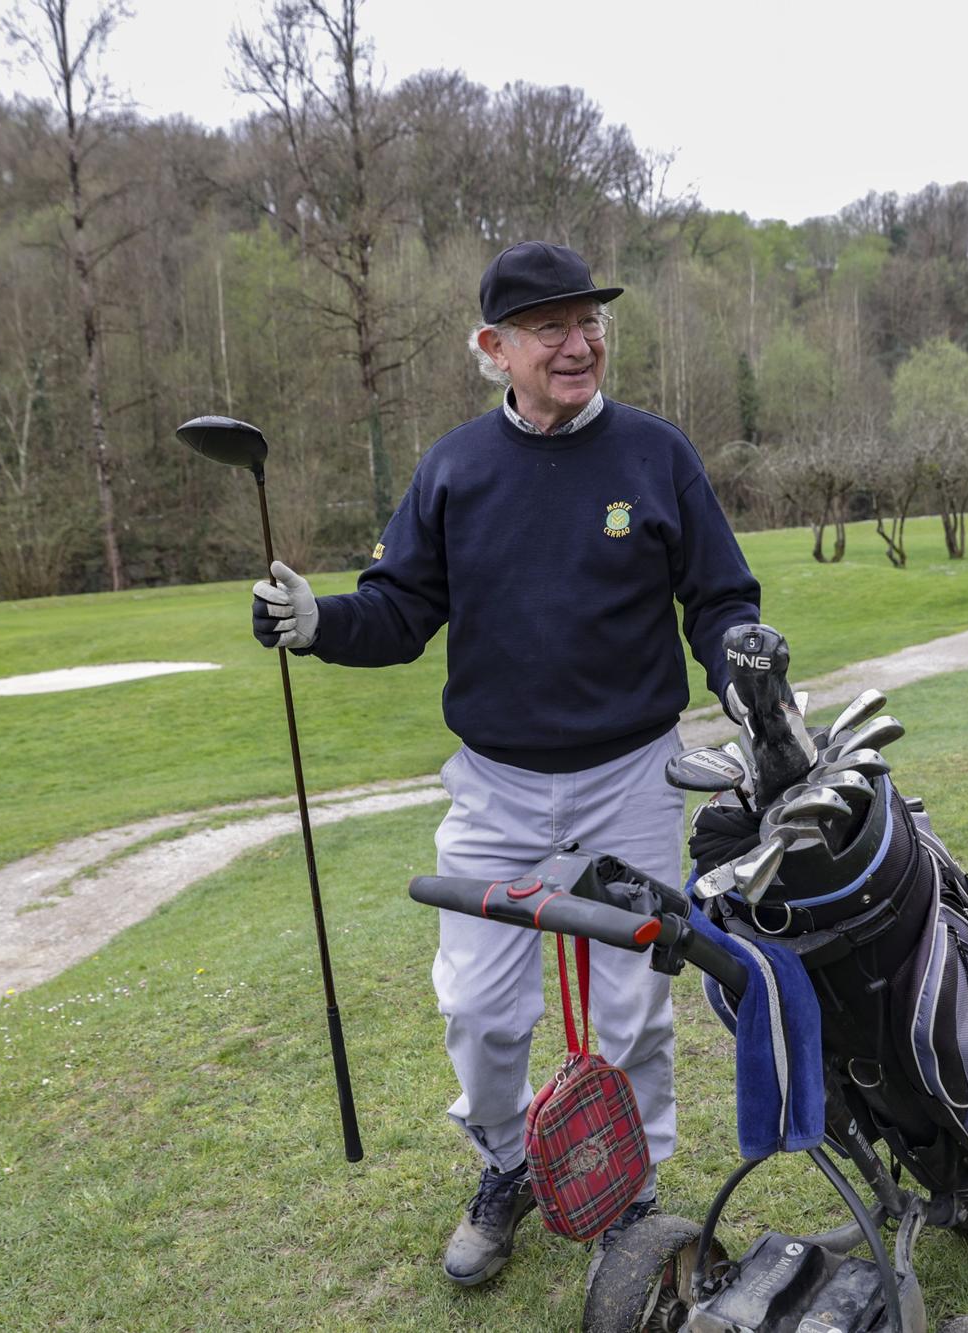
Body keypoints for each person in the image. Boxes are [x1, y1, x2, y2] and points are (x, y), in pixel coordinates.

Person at [249, 240, 762, 1285]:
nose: (578, 344)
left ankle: (631, 1197)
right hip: (495, 788)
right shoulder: (452, 468)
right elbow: (397, 611)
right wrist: (316, 622)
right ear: (494, 348)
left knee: (631, 1012)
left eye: (590, 323)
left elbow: (718, 597)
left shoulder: (656, 454)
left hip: (630, 776)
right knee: (480, 1011)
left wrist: (744, 667)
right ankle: (508, 1163)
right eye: (549, 329)